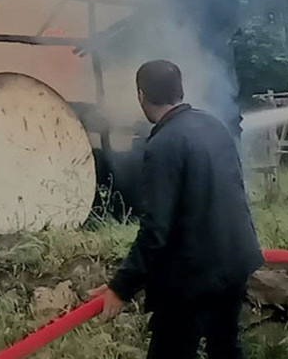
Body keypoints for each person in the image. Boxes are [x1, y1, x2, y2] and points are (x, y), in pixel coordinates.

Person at [90, 60, 262, 359]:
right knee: (225, 347)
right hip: (235, 260)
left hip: (194, 277)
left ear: (141, 95)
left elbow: (156, 229)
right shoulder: (213, 125)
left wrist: (120, 287)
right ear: (179, 90)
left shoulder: (163, 144)